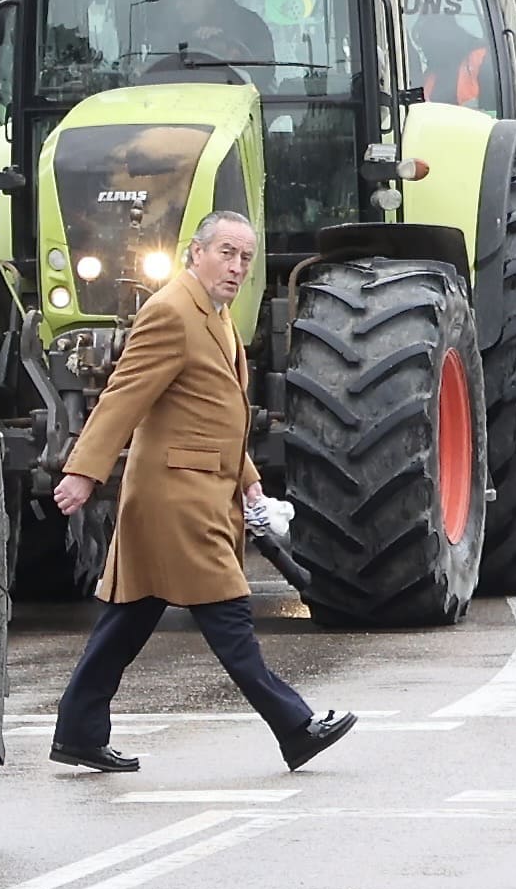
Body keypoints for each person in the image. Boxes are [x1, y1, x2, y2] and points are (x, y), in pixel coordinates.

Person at [44, 214, 353, 776]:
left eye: (245, 258)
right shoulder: (170, 312)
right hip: (175, 499)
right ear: (197, 253)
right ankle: (295, 727)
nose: (236, 267)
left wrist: (249, 476)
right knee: (231, 616)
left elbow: (215, 412)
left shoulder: (215, 316)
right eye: (227, 253)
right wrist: (84, 472)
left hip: (197, 489)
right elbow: (123, 398)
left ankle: (78, 731)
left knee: (127, 620)